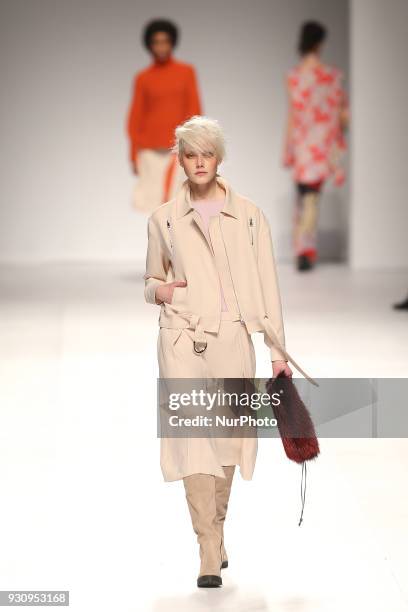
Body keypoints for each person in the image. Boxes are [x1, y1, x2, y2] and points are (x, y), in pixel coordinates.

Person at [143, 116, 317, 588]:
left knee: (226, 440)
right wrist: (161, 293)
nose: (199, 163)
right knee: (192, 439)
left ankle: (216, 535)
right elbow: (151, 279)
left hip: (233, 338)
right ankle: (206, 547)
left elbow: (268, 285)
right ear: (180, 160)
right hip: (180, 337)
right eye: (190, 155)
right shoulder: (162, 218)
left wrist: (277, 349)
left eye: (207, 154)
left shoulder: (251, 216)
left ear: (219, 159)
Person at [282, 21, 349, 270]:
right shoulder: (333, 76)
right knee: (311, 196)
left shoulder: (295, 77)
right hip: (322, 142)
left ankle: (304, 249)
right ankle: (305, 249)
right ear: (321, 43)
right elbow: (343, 115)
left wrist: (286, 148)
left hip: (302, 142)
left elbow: (293, 114)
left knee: (304, 195)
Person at [126, 19, 202, 213]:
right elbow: (135, 116)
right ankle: (160, 244)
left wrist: (197, 146)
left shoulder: (186, 72)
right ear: (149, 45)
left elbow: (194, 111)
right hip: (149, 150)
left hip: (178, 147)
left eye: (165, 41)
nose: (161, 47)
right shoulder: (143, 78)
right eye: (156, 42)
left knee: (180, 204)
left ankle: (177, 244)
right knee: (154, 206)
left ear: (172, 42)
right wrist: (133, 153)